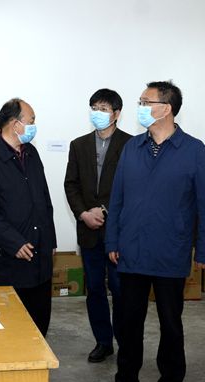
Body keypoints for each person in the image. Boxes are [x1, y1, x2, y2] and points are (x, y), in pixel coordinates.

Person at [97, 81, 205, 382]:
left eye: (145, 101)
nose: (140, 106)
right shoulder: (132, 148)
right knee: (128, 323)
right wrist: (112, 240)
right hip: (131, 252)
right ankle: (126, 381)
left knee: (170, 325)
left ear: (166, 108)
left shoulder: (194, 151)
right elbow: (117, 199)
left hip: (170, 253)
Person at [0, 98, 56, 336]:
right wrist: (15, 242)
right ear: (15, 124)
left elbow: (45, 199)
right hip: (9, 259)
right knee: (13, 329)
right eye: (31, 121)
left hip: (40, 256)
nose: (34, 126)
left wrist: (50, 240)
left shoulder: (31, 153)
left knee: (39, 323)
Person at [64, 89, 132, 363]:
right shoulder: (78, 145)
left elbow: (132, 188)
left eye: (103, 109)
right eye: (94, 108)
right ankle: (103, 341)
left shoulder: (131, 144)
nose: (98, 113)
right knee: (94, 288)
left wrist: (103, 210)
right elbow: (71, 184)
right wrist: (83, 213)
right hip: (88, 230)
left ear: (116, 114)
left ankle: (125, 341)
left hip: (118, 232)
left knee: (120, 289)